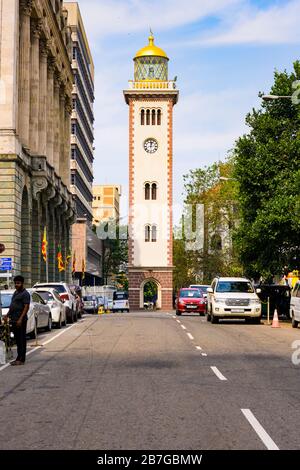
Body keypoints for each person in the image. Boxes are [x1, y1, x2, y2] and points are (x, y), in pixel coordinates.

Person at [5, 275, 30, 366]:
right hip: (14, 319)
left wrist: (20, 319)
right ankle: (18, 358)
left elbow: (26, 307)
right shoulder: (16, 292)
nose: (16, 285)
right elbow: (12, 305)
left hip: (21, 320)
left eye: (18, 283)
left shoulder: (25, 294)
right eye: (15, 283)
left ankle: (21, 359)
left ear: (22, 283)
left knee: (21, 340)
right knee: (17, 340)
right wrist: (7, 315)